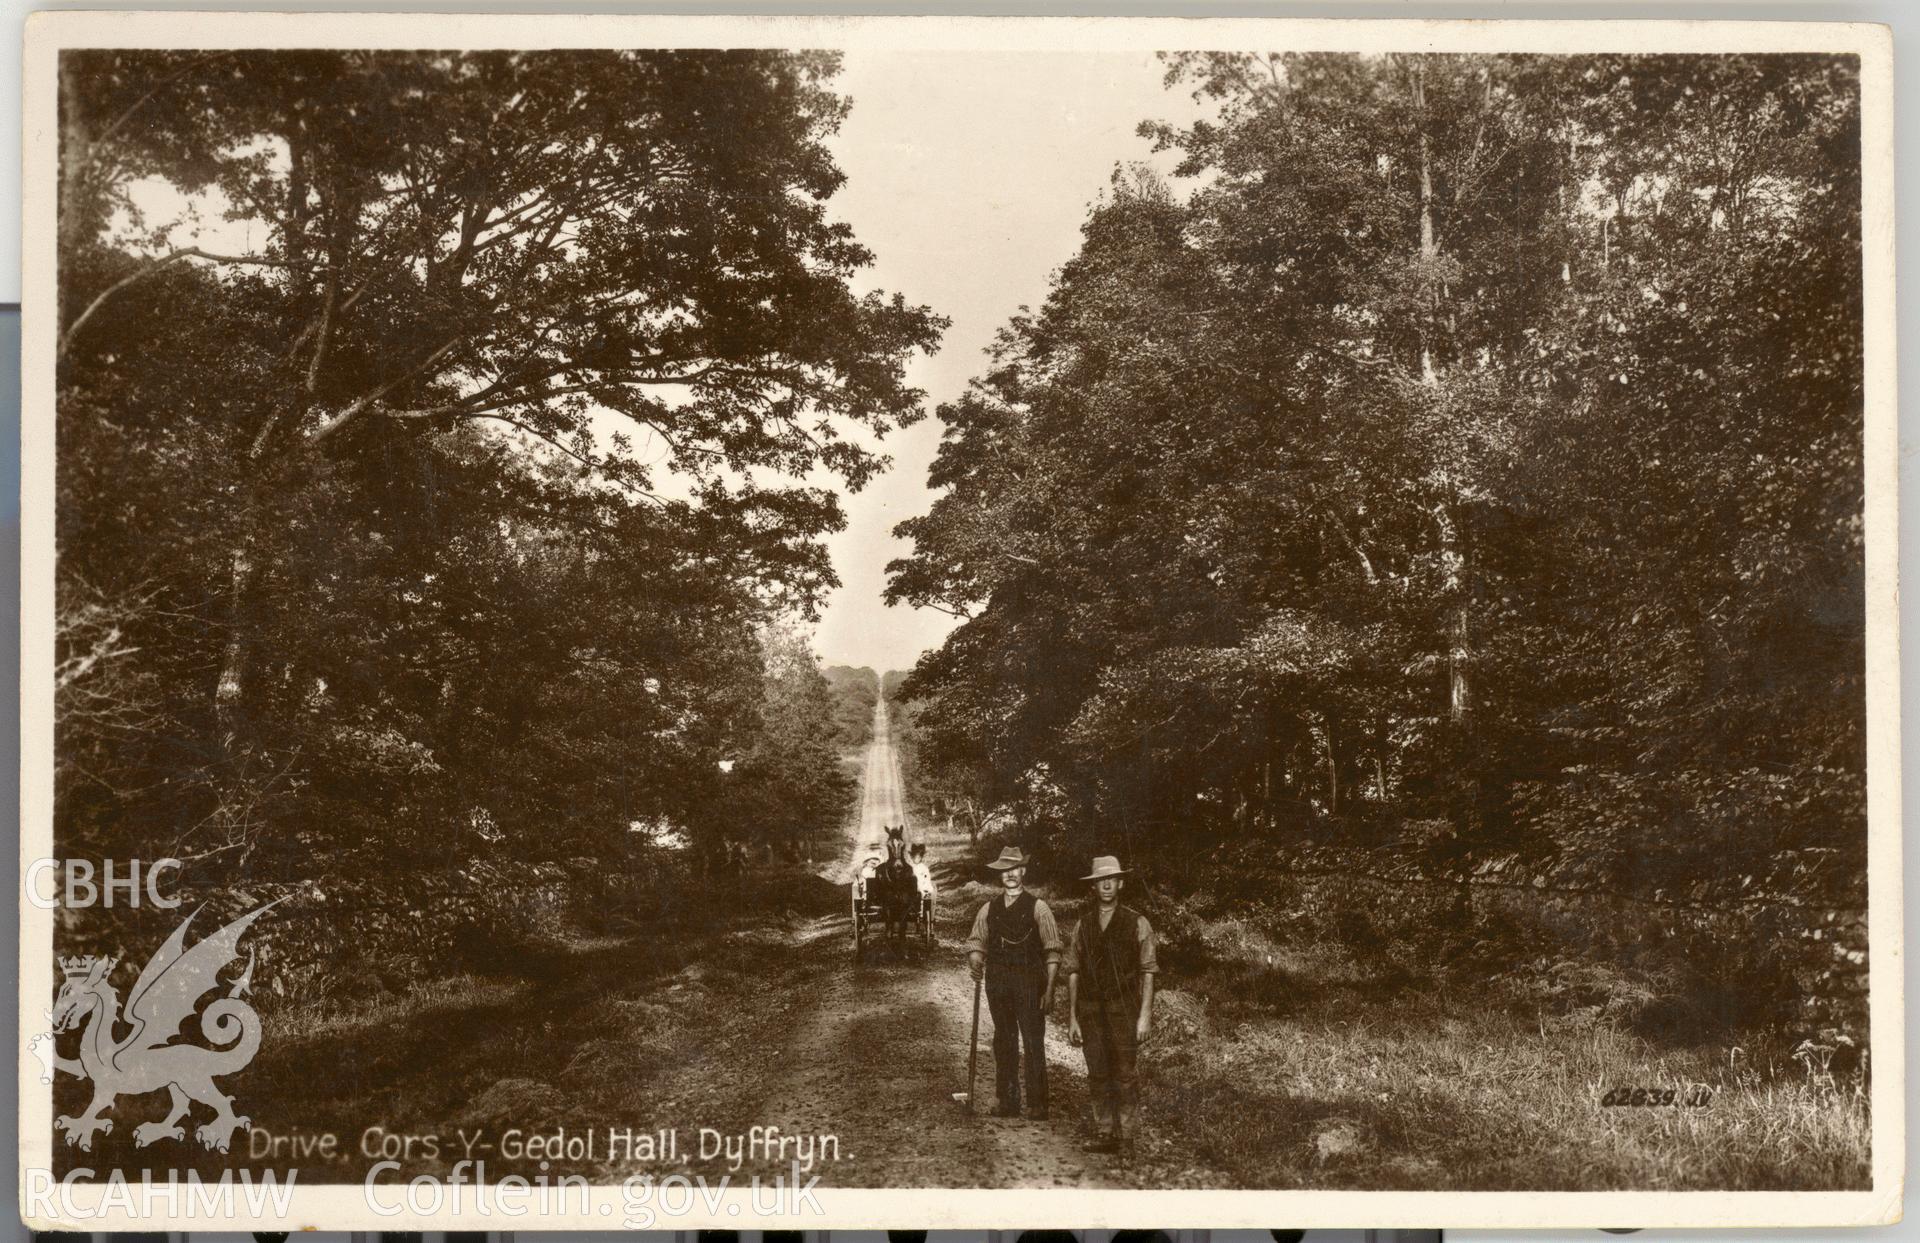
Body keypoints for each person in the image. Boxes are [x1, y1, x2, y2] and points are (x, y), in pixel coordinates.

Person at [1065, 855, 1157, 1154]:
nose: (1106, 885)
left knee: (1125, 1073)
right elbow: (1073, 971)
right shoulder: (1083, 925)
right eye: (1100, 881)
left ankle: (1126, 1137)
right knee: (1098, 1071)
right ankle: (1104, 1132)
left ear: (1120, 883)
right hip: (1090, 1010)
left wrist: (1144, 1017)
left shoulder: (1137, 923)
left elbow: (1148, 971)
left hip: (1124, 1010)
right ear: (1094, 887)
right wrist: (1073, 1018)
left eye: (1111, 880)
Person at [964, 846, 1062, 1120]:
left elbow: (1053, 950)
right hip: (998, 982)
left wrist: (1051, 988)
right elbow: (977, 941)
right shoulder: (988, 908)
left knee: (1032, 1039)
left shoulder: (1039, 908)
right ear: (1000, 875)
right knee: (1003, 1039)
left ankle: (1038, 1103)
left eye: (1014, 869)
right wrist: (975, 959)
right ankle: (1007, 1100)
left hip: (1030, 981)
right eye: (1004, 870)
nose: (1009, 875)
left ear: (1023, 871)